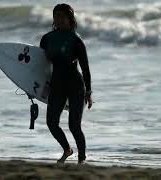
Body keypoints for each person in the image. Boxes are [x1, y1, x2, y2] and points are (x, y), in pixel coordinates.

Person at [39, 3, 93, 164]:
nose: (59, 19)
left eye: (62, 16)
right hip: (56, 85)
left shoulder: (76, 41)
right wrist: (33, 86)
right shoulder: (47, 39)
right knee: (51, 122)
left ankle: (82, 158)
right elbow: (39, 65)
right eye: (56, 16)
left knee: (74, 126)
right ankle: (67, 149)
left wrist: (88, 92)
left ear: (70, 19)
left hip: (75, 86)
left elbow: (85, 68)